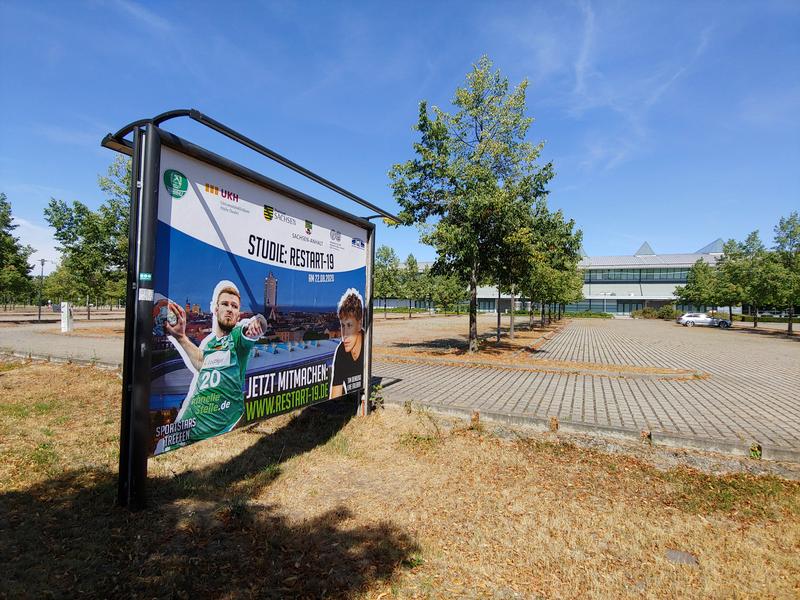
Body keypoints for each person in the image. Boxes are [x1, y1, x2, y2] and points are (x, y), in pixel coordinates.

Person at [161, 280, 264, 449]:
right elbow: (202, 362)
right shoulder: (210, 343)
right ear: (216, 309)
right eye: (225, 304)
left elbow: (255, 326)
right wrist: (181, 337)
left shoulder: (238, 337)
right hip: (187, 429)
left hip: (220, 429)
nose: (230, 309)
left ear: (238, 314)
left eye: (234, 306)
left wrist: (257, 323)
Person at [329, 288, 365, 399]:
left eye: (349, 325)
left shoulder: (366, 347)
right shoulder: (341, 351)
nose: (344, 334)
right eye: (343, 326)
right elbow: (335, 396)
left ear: (359, 325)